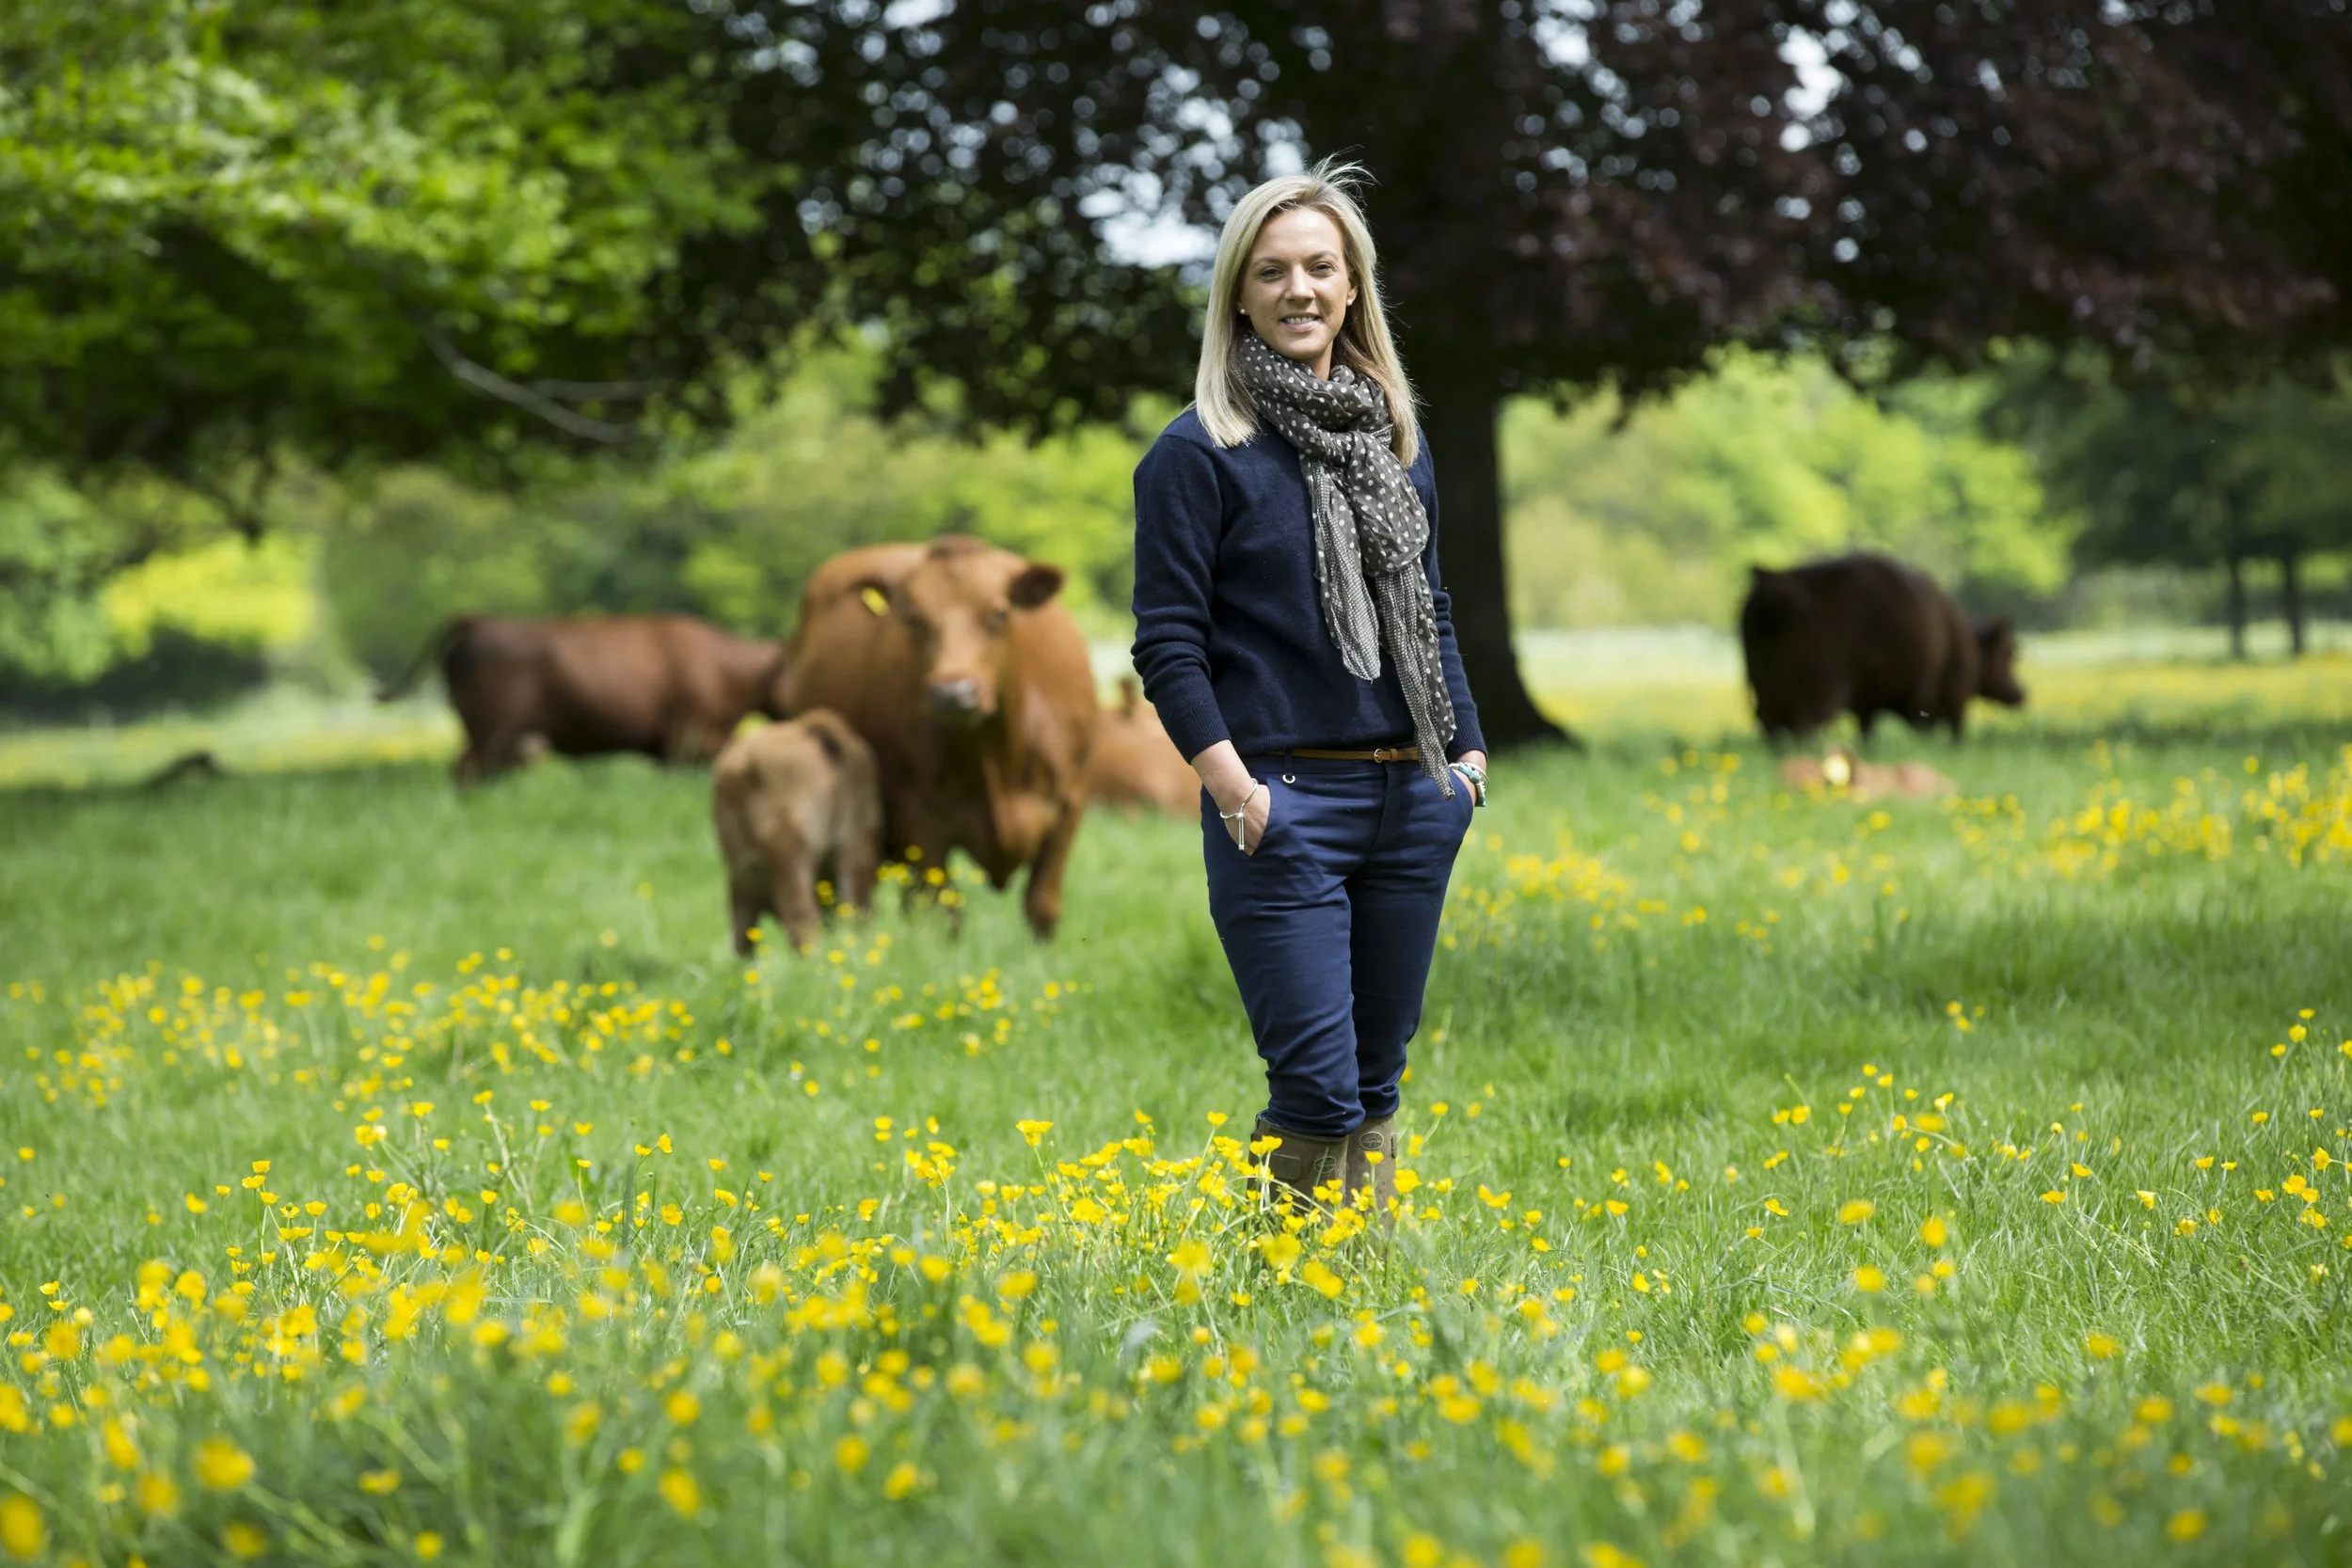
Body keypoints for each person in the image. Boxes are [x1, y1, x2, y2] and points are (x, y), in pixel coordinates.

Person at [1130, 160, 1487, 1216]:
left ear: (1352, 288)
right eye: (1272, 270)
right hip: (1283, 803)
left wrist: (1464, 763)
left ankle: (1351, 1300)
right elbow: (1167, 646)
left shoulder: (1395, 443)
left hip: (1412, 799)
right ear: (1237, 292)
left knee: (1375, 1085)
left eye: (1319, 268)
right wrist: (1238, 793)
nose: (1298, 289)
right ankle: (1275, 1281)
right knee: (1319, 1092)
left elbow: (1430, 611)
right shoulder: (1196, 456)